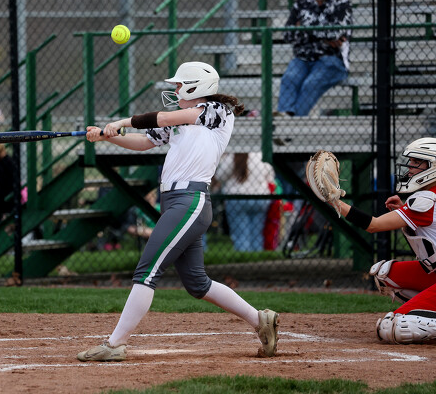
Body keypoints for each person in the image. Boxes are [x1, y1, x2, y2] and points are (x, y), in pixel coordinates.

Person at [77, 61, 279, 361]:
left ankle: (115, 344)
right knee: (197, 283)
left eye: (180, 85)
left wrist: (121, 121)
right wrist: (108, 136)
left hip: (190, 200)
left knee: (147, 271)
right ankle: (260, 319)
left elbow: (162, 117)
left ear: (197, 87)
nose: (175, 90)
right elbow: (144, 142)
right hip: (174, 202)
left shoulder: (216, 112)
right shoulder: (181, 122)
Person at [323, 138, 436, 344]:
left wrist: (334, 201)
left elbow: (373, 225)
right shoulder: (427, 198)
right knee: (385, 274)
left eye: (416, 162)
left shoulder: (425, 200)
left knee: (393, 327)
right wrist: (404, 210)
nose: (409, 167)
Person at [276, 0, 352, 116]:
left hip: (332, 59)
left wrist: (303, 27)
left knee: (311, 83)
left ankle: (293, 122)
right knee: (289, 78)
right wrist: (324, 34)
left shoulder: (341, 3)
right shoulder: (301, 4)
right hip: (302, 58)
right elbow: (287, 35)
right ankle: (285, 115)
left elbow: (335, 33)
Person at [219, 152, 276, 252]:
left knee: (241, 233)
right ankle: (257, 256)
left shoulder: (232, 156)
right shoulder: (260, 155)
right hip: (260, 197)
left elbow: (220, 176)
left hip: (236, 198)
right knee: (257, 232)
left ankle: (243, 255)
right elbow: (270, 177)